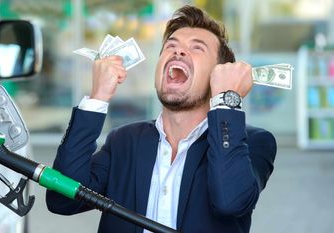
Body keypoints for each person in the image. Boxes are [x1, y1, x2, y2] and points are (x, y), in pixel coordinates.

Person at [46, 5, 277, 233]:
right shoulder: (123, 141)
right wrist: (98, 98)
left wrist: (227, 101)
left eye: (197, 48)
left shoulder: (254, 142)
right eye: (171, 46)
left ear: (218, 74)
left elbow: (230, 202)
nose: (178, 52)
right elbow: (62, 200)